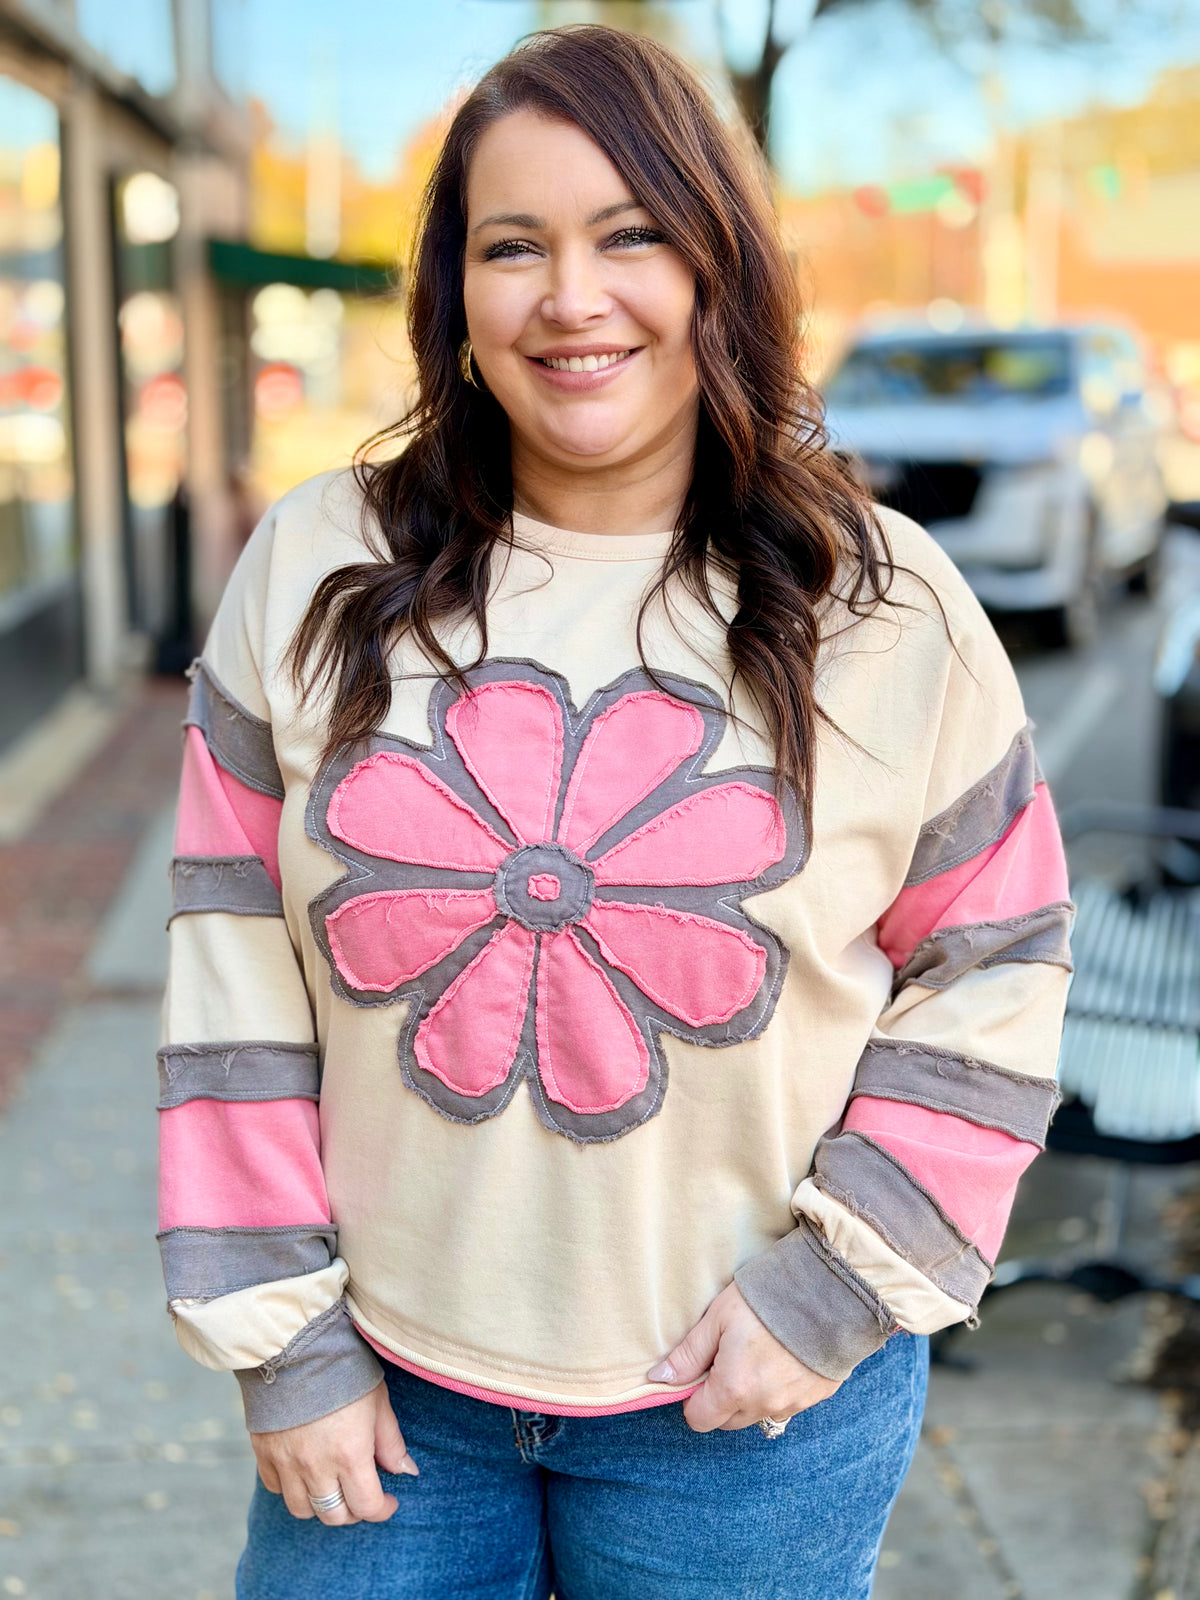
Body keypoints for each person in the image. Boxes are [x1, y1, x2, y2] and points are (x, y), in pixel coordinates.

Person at [157, 25, 1072, 1600]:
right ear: (458, 293)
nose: (573, 299)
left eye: (631, 234)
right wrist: (278, 1333)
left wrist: (836, 1289)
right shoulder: (316, 570)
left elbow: (998, 958)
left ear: (717, 260)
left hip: (748, 1411)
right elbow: (229, 953)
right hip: (387, 1400)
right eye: (516, 247)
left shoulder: (883, 601)